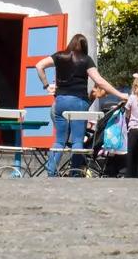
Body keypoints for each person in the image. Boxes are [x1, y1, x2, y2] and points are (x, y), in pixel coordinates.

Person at [38, 33, 126, 175]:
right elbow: (100, 81)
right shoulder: (86, 60)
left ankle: (51, 172)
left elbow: (39, 65)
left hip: (60, 101)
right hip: (78, 102)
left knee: (59, 141)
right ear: (85, 46)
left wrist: (46, 85)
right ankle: (75, 172)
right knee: (78, 140)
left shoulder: (59, 56)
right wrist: (120, 94)